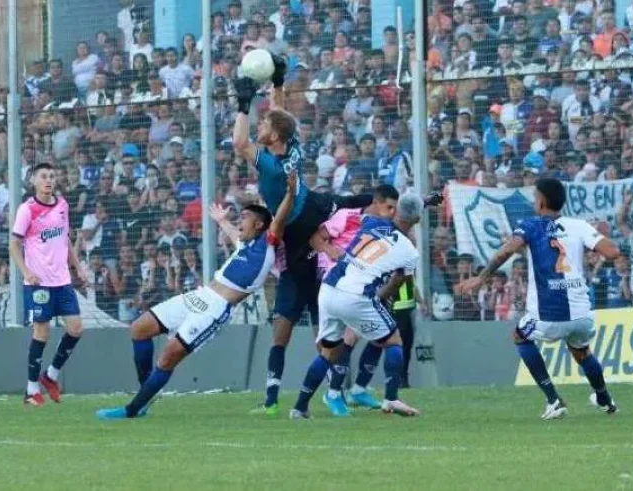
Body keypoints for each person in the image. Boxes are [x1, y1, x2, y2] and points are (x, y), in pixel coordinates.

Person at [232, 51, 372, 417]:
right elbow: (280, 118)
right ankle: (302, 396)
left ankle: (307, 395)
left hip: (295, 229)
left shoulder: (268, 160)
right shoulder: (291, 144)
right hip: (311, 210)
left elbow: (239, 143)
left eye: (265, 125)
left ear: (272, 137)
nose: (262, 127)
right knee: (353, 202)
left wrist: (243, 105)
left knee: (297, 329)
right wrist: (277, 83)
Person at [95, 172, 298, 420]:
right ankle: (145, 393)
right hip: (198, 295)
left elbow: (279, 218)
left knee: (168, 356)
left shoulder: (267, 242)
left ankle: (132, 410)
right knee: (139, 328)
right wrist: (222, 220)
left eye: (244, 217)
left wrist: (289, 193)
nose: (239, 220)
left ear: (259, 225)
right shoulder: (244, 243)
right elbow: (232, 232)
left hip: (215, 309)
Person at [460, 178, 619, 419]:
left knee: (520, 336)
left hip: (549, 314)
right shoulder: (579, 226)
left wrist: (481, 278)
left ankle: (553, 399)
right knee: (582, 352)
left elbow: (506, 251)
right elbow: (612, 252)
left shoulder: (530, 226)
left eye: (535, 197)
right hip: (582, 314)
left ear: (542, 201)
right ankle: (605, 399)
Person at [289, 193, 427, 419]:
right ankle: (391, 398)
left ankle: (300, 407)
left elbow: (371, 218)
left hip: (329, 288)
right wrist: (380, 297)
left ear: (395, 210)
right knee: (393, 341)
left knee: (327, 352)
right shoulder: (410, 252)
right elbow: (398, 281)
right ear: (418, 221)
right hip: (356, 295)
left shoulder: (370, 222)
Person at [10, 162, 89, 406]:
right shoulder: (28, 209)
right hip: (38, 284)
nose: (48, 180)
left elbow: (65, 239)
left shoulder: (62, 205)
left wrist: (79, 267)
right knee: (41, 332)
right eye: (43, 176)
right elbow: (14, 244)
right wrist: (27, 271)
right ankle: (31, 390)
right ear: (33, 181)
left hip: (62, 281)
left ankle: (50, 376)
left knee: (76, 328)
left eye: (52, 176)